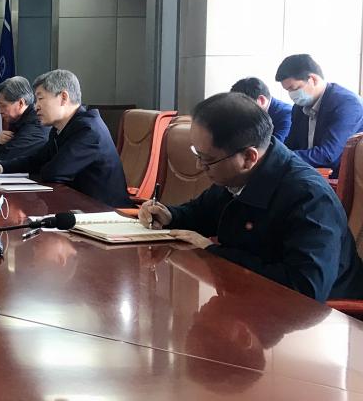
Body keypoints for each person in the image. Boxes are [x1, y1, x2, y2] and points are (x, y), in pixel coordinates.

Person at [138, 92, 363, 301]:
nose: (199, 166)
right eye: (197, 154)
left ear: (248, 157)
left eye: (207, 159)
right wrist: (170, 216)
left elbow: (304, 288)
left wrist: (214, 254)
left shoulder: (309, 198)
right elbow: (201, 213)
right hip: (250, 301)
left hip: (323, 318)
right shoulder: (238, 176)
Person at [0, 69, 130, 208]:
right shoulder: (61, 128)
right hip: (78, 207)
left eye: (40, 98)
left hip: (106, 213)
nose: (36, 106)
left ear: (63, 97)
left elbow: (54, 173)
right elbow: (36, 160)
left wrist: (41, 166)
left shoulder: (88, 130)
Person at [275, 54, 363, 177]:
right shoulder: (299, 108)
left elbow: (328, 154)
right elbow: (290, 145)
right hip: (308, 175)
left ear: (313, 79)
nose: (291, 95)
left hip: (338, 178)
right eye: (288, 90)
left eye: (294, 88)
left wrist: (280, 158)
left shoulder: (347, 104)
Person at [0, 75, 48, 161]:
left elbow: (9, 155)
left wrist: (0, 147)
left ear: (21, 103)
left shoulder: (37, 122)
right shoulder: (17, 120)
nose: (0, 111)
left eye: (3, 106)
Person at [230, 76, 292, 142]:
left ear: (261, 100)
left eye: (244, 108)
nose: (243, 113)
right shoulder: (254, 111)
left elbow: (275, 145)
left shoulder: (286, 114)